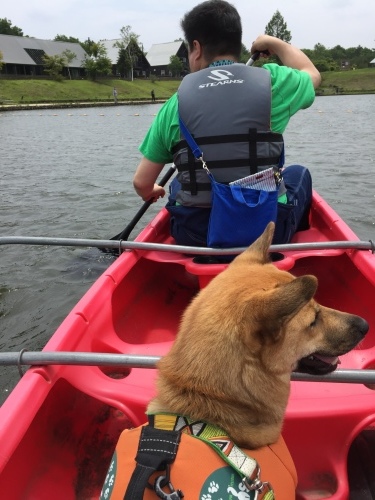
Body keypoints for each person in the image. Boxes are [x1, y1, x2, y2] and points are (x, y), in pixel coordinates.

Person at [133, 0, 321, 247]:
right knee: (299, 173)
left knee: (180, 181)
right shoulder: (273, 82)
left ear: (196, 48)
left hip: (194, 235)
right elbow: (313, 74)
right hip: (265, 234)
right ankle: (288, 247)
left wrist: (152, 191)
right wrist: (274, 43)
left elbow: (142, 183)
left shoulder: (174, 104)